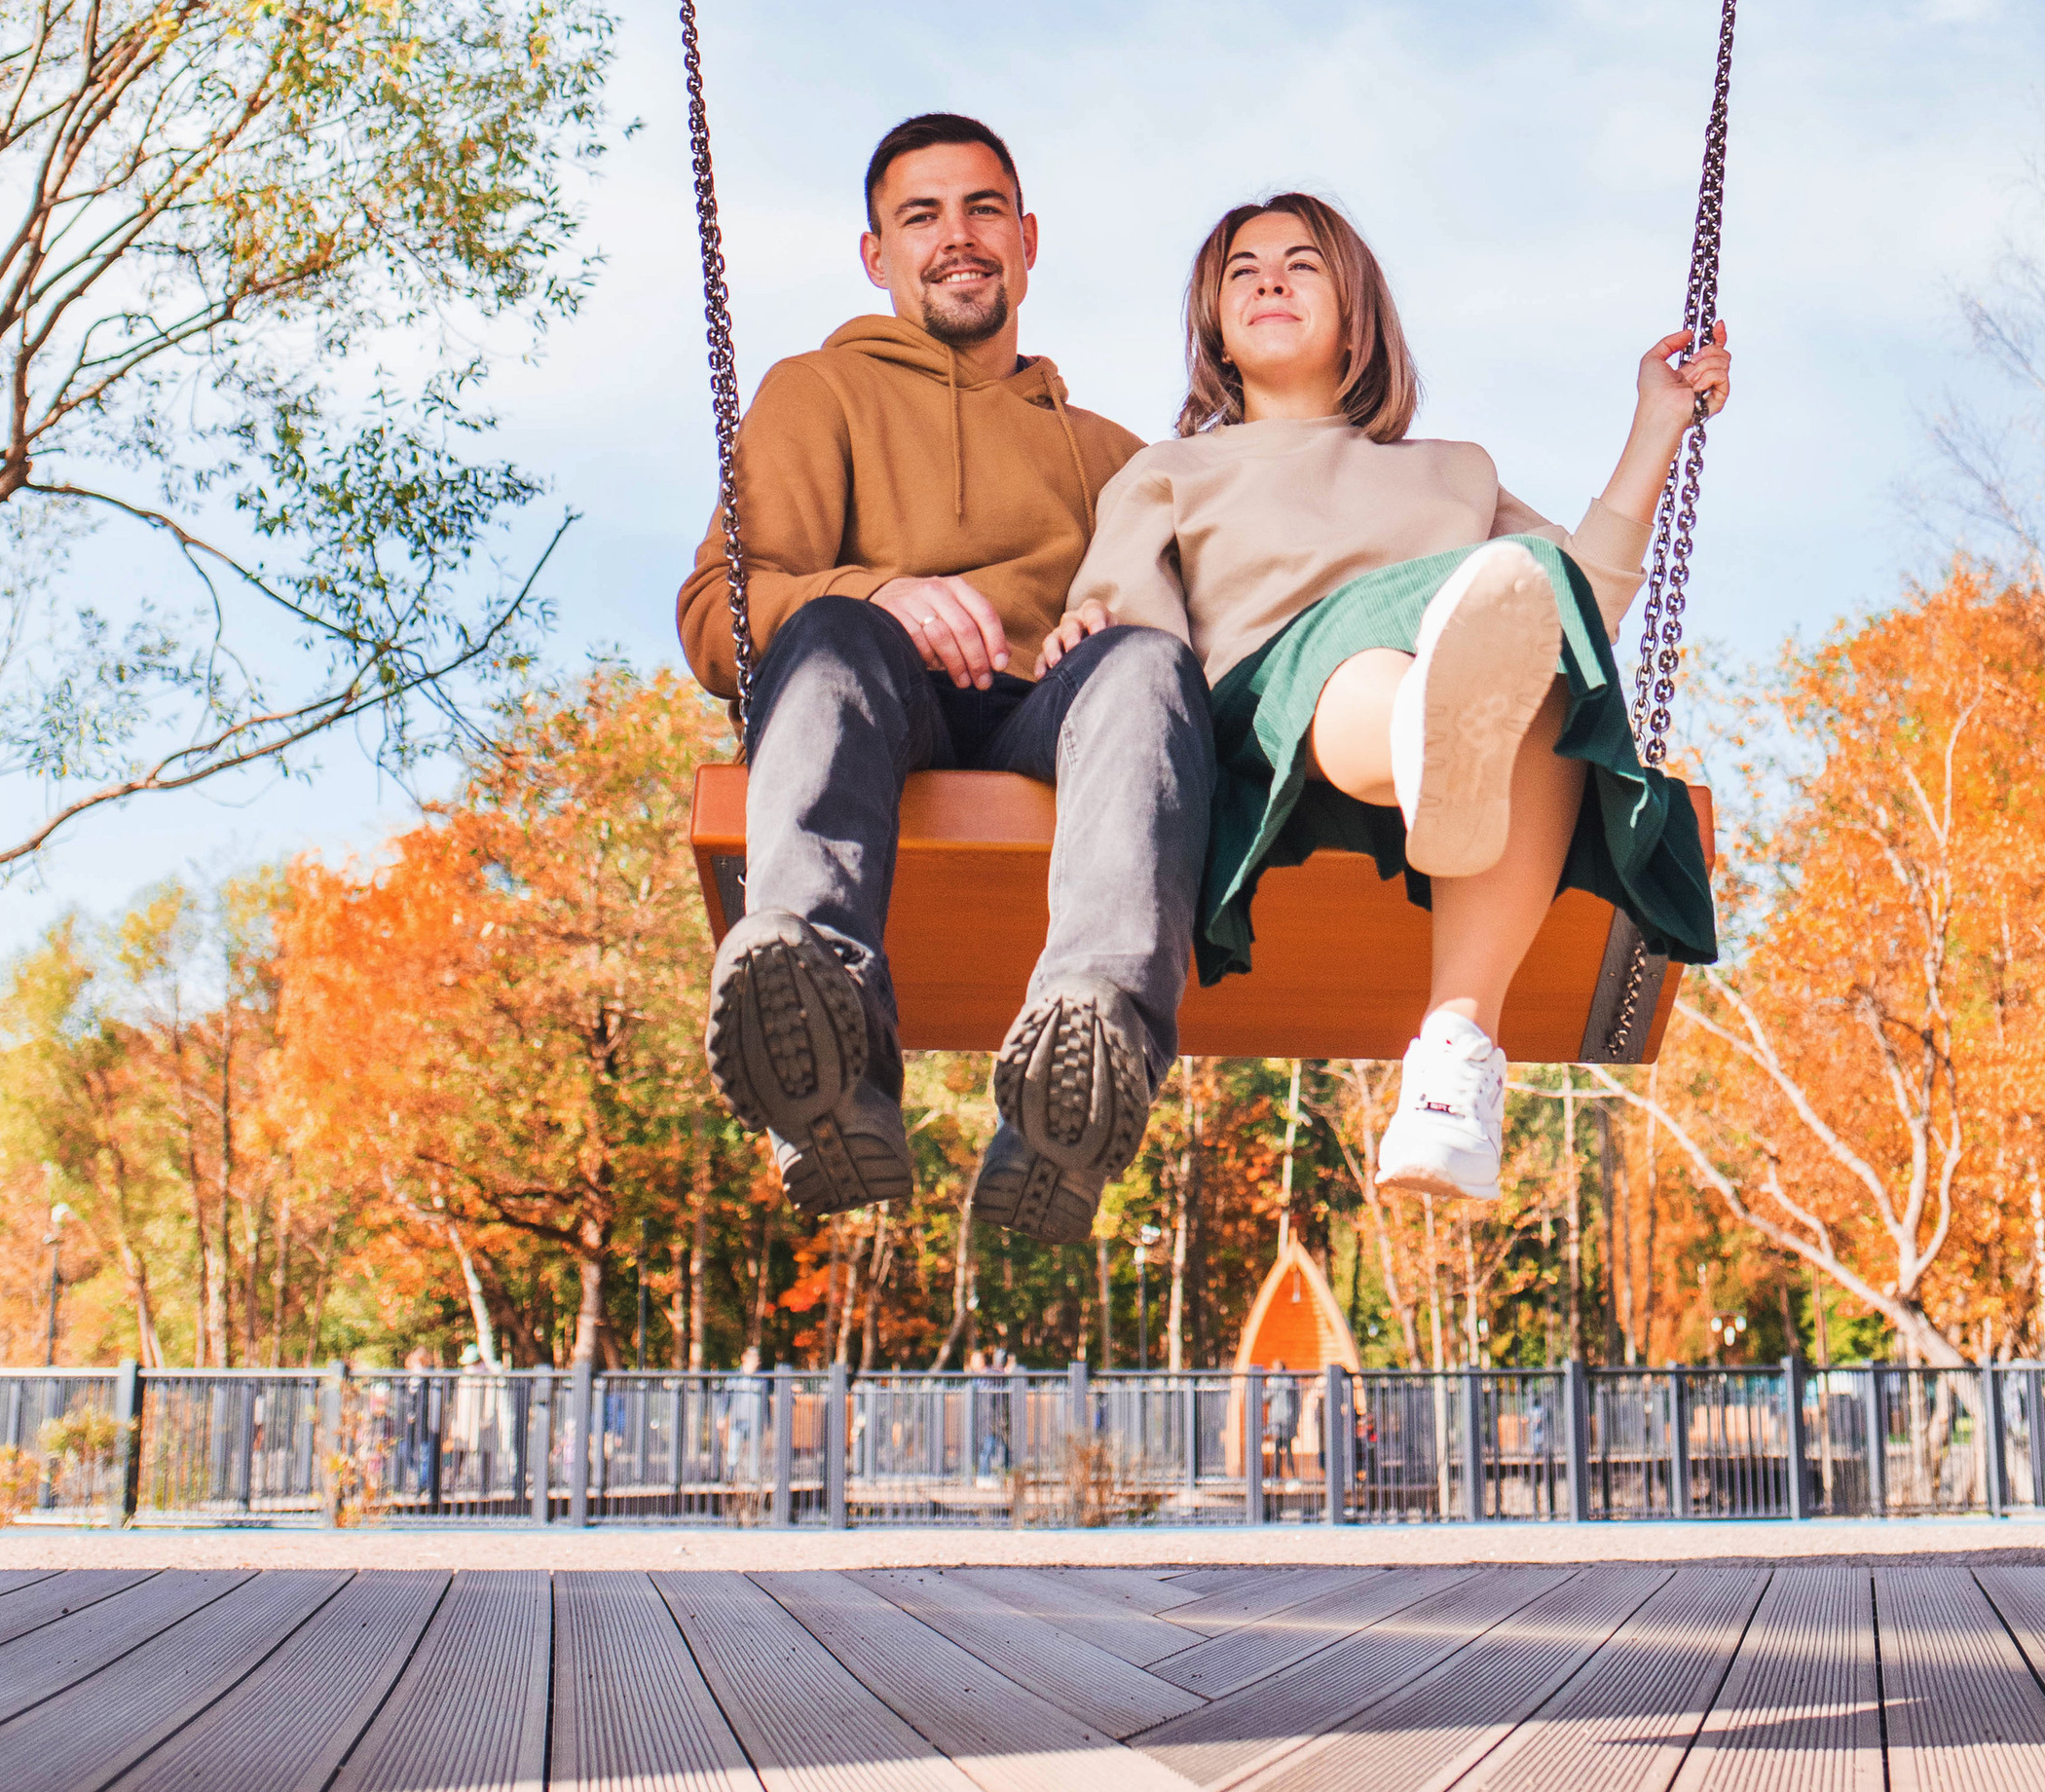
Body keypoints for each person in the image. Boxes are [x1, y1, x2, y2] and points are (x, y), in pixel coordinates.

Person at [1041, 192, 1725, 1207]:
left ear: (1357, 317)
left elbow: (1582, 602)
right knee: (1402, 642)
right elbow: (1134, 643)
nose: (1270, 278)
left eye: (1302, 264)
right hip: (1262, 730)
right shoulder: (1169, 472)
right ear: (1215, 335)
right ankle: (1432, 731)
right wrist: (1075, 636)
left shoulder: (1450, 474)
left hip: (1444, 709)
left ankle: (1452, 1061)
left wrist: (1657, 424)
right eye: (1243, 271)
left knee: (1533, 607)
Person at [678, 113, 1213, 1242]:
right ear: (877, 255)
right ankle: (821, 1032)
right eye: (919, 216)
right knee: (829, 632)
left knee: (1150, 664)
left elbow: (1232, 608)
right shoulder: (816, 392)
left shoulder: (1115, 453)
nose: (955, 237)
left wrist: (1106, 627)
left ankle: (1090, 1042)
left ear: (1024, 239)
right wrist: (878, 593)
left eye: (981, 210)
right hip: (882, 702)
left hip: (1049, 721)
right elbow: (718, 618)